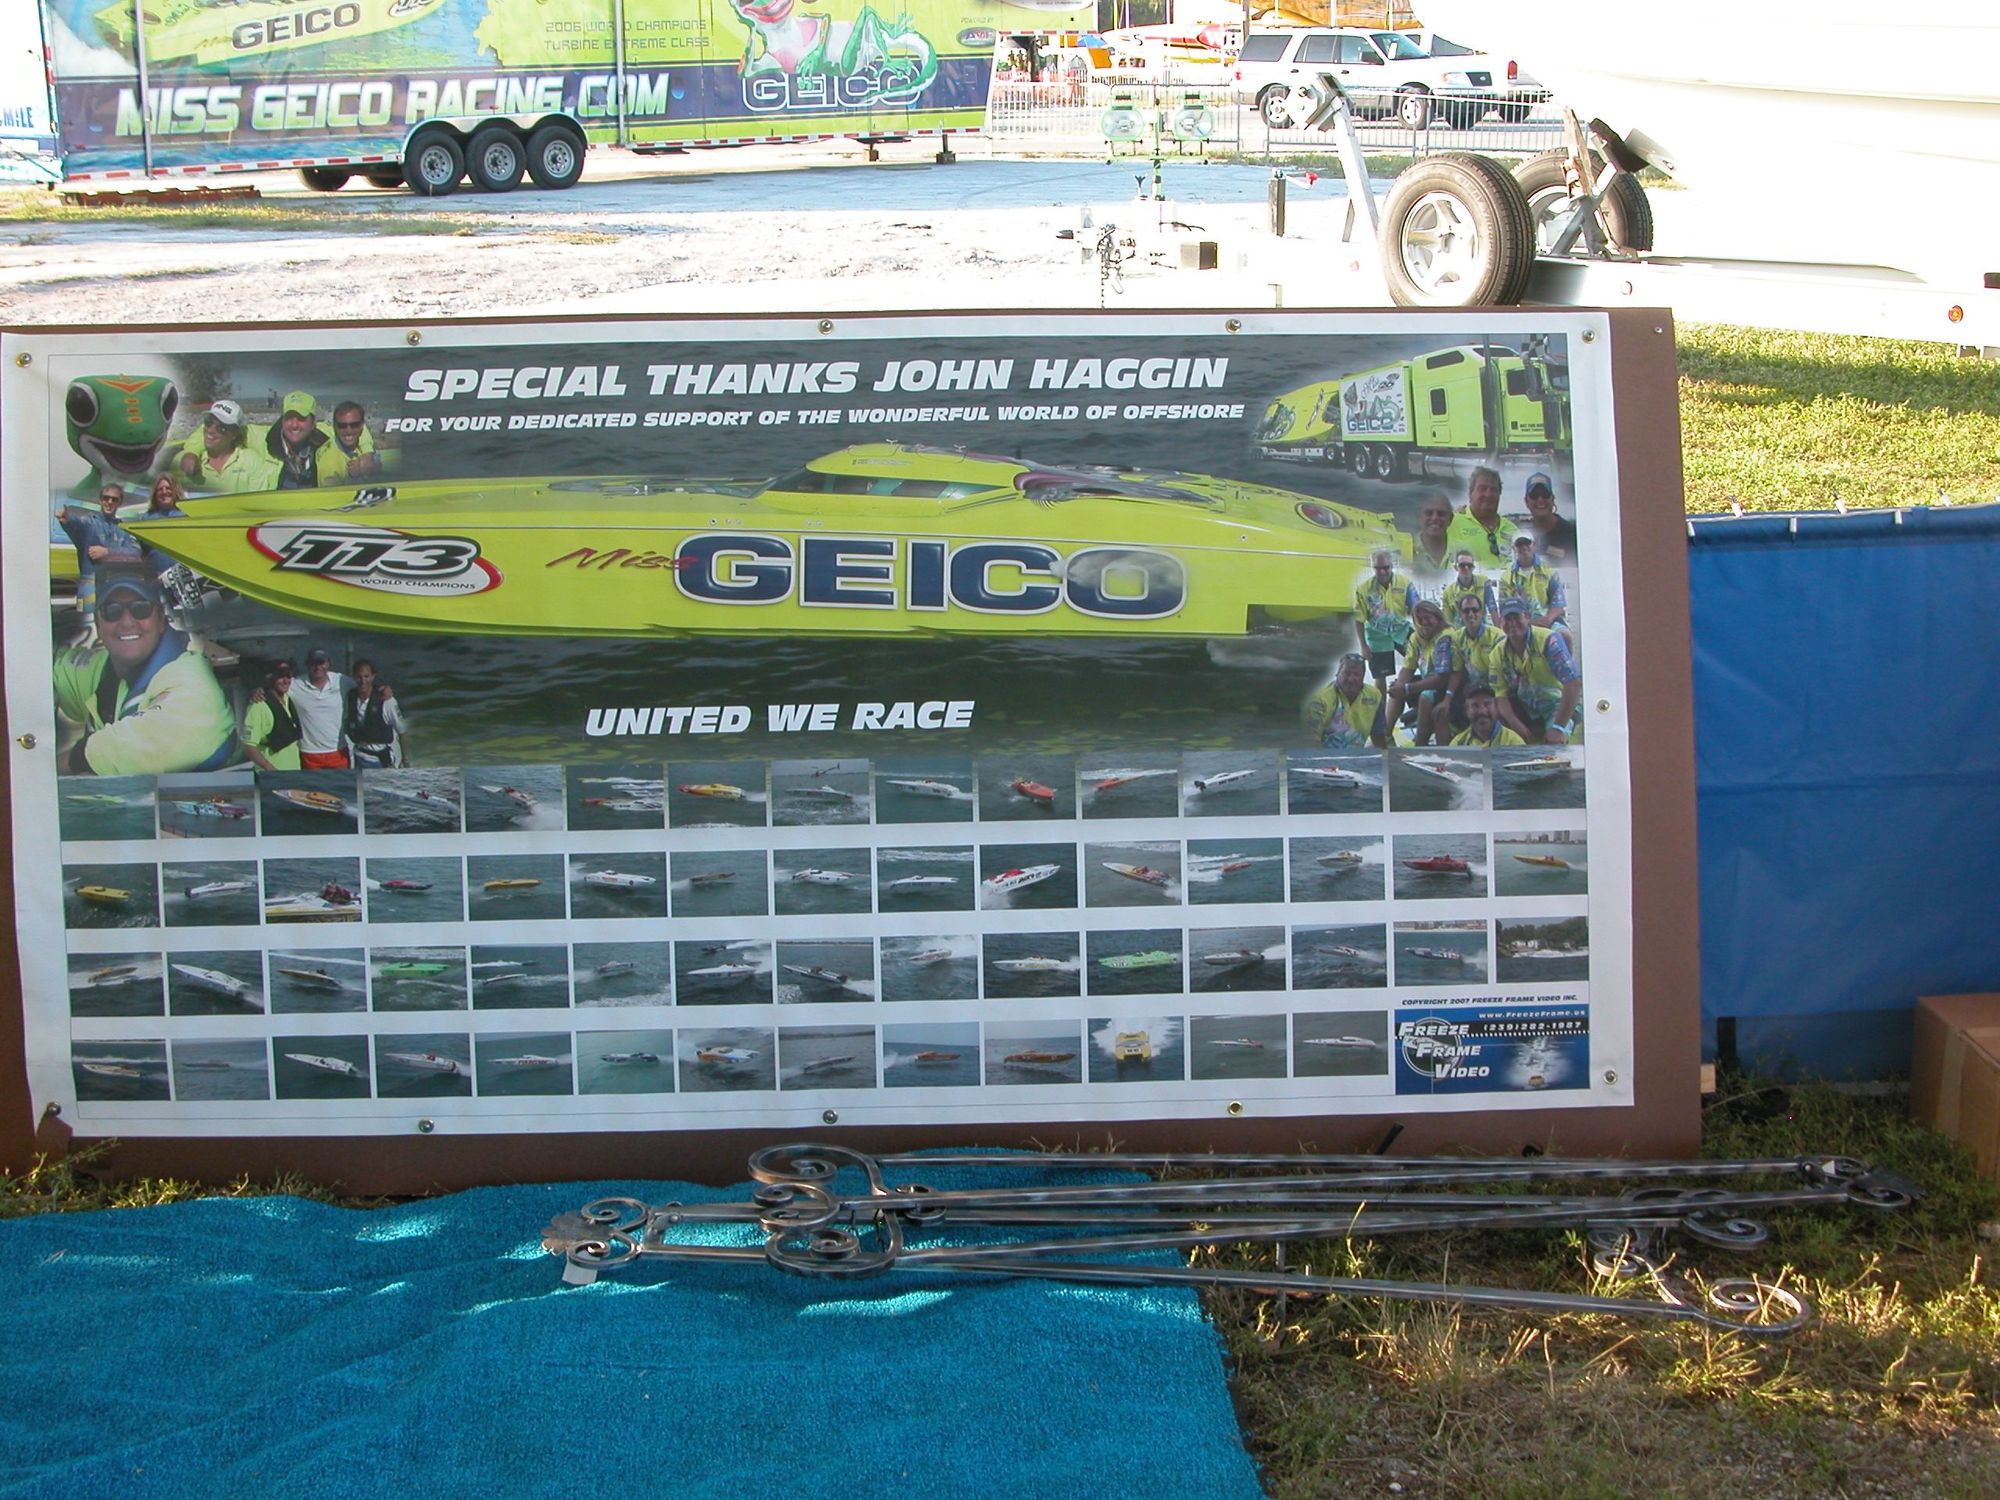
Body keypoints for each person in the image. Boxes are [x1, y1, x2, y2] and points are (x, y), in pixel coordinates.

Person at [51, 564, 236, 775]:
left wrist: (43, 767)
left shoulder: (193, 679)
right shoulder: (101, 667)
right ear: (98, 623)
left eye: (141, 608)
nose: (127, 622)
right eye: (112, 611)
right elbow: (48, 673)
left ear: (161, 620)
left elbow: (143, 746)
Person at [1494, 595, 1584, 744]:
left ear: (1527, 617)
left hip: (1557, 705)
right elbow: (1500, 696)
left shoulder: (1549, 640)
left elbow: (1573, 683)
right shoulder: (1496, 652)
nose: (1512, 623)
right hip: (1526, 708)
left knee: (1555, 745)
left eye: (1516, 617)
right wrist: (1515, 724)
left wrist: (1558, 727)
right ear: (1500, 622)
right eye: (1507, 619)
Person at [57, 482, 143, 632]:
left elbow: (136, 553)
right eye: (106, 498)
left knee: (113, 634)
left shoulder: (123, 528)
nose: (109, 502)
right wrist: (67, 519)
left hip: (115, 591)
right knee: (88, 633)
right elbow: (76, 524)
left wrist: (108, 552)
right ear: (100, 500)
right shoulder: (89, 523)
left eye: (114, 499)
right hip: (90, 591)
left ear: (119, 503)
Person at [1384, 597, 1451, 745]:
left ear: (1437, 618)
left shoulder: (1445, 636)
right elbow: (1408, 667)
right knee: (1396, 687)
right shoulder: (1415, 637)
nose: (1424, 623)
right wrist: (1399, 687)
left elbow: (1441, 678)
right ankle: (1385, 737)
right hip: (1428, 681)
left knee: (1425, 696)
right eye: (1419, 620)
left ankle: (1420, 743)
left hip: (1447, 683)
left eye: (1428, 618)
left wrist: (1407, 688)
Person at [177, 400, 281, 493]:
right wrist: (191, 453)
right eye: (208, 423)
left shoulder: (252, 461)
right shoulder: (187, 462)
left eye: (221, 427)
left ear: (235, 434)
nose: (211, 430)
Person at [1351, 549, 1417, 695]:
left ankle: (1411, 692)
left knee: (1422, 661)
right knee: (1380, 677)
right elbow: (1359, 620)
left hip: (1402, 631)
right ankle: (1381, 707)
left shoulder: (1405, 583)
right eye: (1377, 568)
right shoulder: (1363, 590)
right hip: (1377, 637)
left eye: (1386, 567)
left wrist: (1421, 636)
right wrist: (1363, 646)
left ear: (1392, 565)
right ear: (1372, 567)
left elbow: (1416, 609)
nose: (1382, 572)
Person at [1440, 592, 1506, 736]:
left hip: (1497, 687)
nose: (1471, 614)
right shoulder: (1456, 638)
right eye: (1466, 611)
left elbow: (1504, 673)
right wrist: (1447, 699)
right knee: (1443, 711)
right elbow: (1456, 672)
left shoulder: (1497, 636)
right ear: (1460, 614)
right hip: (1472, 688)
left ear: (1482, 613)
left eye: (1475, 610)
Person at [1301, 652, 1386, 751]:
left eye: (1356, 674)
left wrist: (1384, 756)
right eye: (1346, 673)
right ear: (1337, 674)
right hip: (1325, 755)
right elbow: (1310, 741)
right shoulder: (1320, 700)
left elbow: (1378, 736)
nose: (1351, 679)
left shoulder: (1374, 696)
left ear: (1363, 677)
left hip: (1356, 755)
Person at [342, 659, 409, 768]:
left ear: (373, 676)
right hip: (359, 755)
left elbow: (401, 730)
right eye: (359, 677)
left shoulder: (386, 701)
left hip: (380, 758)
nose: (363, 681)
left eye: (366, 676)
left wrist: (405, 759)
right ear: (354, 677)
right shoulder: (350, 698)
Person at [1445, 465, 1519, 564]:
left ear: (1499, 495)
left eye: (1493, 490)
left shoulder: (1513, 530)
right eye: (1482, 489)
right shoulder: (1451, 524)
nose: (1488, 494)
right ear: (1470, 493)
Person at [290, 648, 350, 769]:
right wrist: (259, 691)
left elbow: (365, 687)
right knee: (312, 783)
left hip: (338, 751)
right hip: (309, 753)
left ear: (328, 664)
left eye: (321, 663)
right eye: (313, 663)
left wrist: (385, 690)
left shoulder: (342, 681)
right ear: (307, 665)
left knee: (342, 782)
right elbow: (274, 687)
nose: (318, 667)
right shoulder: (295, 684)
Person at [240, 661, 303, 771]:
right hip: (272, 774)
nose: (285, 681)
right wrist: (269, 769)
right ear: (270, 678)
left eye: (288, 676)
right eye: (280, 676)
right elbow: (248, 746)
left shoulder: (288, 699)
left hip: (293, 771)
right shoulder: (258, 706)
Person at [1502, 532, 1569, 634]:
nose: (1524, 547)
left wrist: (1548, 619)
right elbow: (1504, 607)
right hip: (1518, 622)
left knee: (1565, 634)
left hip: (1548, 620)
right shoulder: (1506, 577)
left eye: (1527, 543)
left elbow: (1558, 604)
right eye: (1519, 545)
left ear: (1534, 545)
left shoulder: (1549, 571)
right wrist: (1527, 622)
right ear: (1514, 548)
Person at [265, 390, 332, 489]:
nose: (294, 425)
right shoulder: (264, 444)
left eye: (301, 418)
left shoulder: (327, 448)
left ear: (313, 423)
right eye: (289, 418)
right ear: (282, 421)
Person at [1522, 471, 1577, 565]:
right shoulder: (1521, 533)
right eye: (1534, 495)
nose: (1540, 500)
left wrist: (1547, 548)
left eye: (1545, 495)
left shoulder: (1572, 533)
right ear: (1526, 501)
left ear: (1552, 499)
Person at [1450, 681, 1527, 748]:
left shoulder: (1513, 742)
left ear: (1496, 707)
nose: (1482, 711)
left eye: (1487, 704)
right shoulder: (1458, 744)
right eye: (1475, 705)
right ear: (1466, 710)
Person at [325, 401, 387, 480]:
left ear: (362, 426)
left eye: (354, 425)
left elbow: (378, 468)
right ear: (334, 426)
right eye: (342, 426)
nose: (349, 431)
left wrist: (368, 466)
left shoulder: (368, 451)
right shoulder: (327, 447)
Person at [1440, 550, 1497, 625]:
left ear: (1473, 567)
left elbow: (1492, 608)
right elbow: (1447, 620)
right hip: (1459, 630)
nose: (1466, 568)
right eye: (1462, 565)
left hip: (1482, 628)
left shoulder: (1484, 582)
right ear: (1456, 567)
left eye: (1469, 565)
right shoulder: (1448, 592)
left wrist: (1498, 630)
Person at [1408, 491, 1455, 576]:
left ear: (1450, 519)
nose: (1434, 518)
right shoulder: (1405, 551)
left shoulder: (1465, 550)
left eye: (1441, 514)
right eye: (1429, 513)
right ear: (1418, 517)